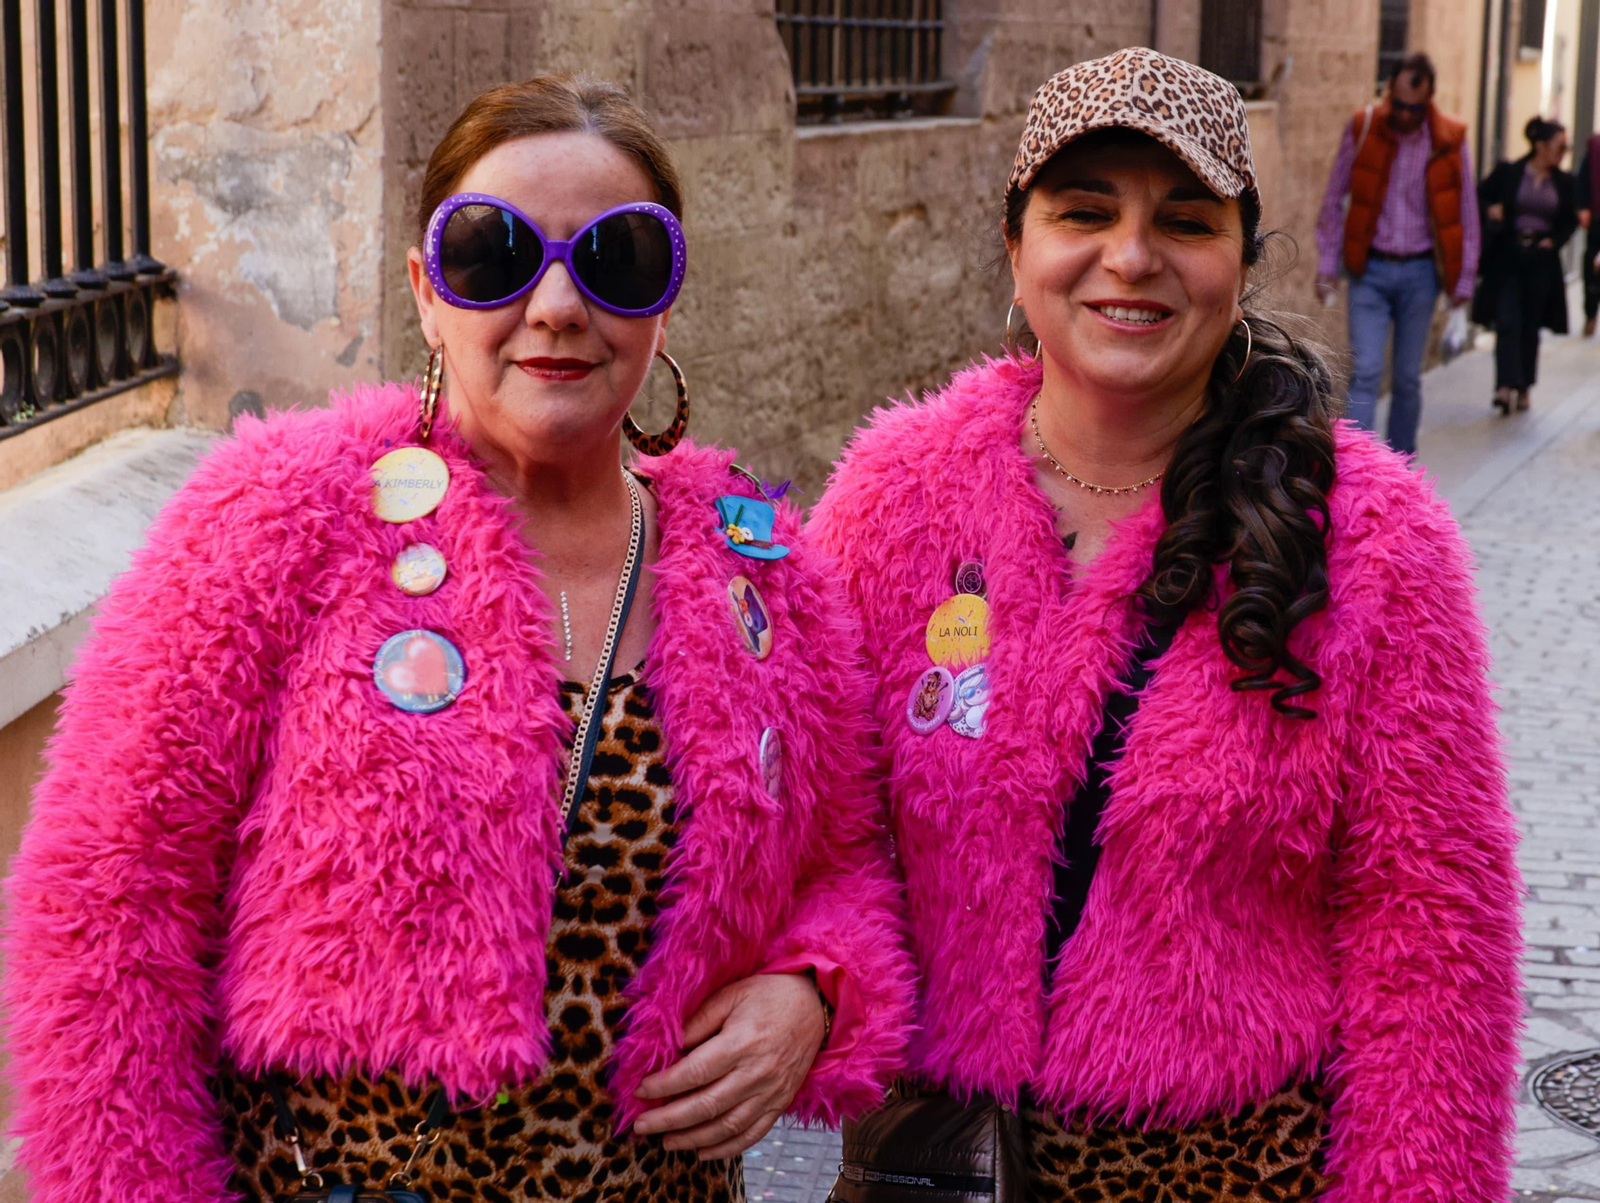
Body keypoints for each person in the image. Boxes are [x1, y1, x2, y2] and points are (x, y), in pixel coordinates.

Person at [3, 74, 912, 1203]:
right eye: (495, 253)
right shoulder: (281, 516)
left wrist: (815, 992)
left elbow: (848, 860)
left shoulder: (763, 567)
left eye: (615, 259)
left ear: (663, 299)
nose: (557, 305)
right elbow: (104, 912)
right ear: (427, 291)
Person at [813, 47, 1520, 1200]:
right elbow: (821, 835)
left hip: (1228, 1171)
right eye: (1083, 211)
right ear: (1016, 244)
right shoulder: (894, 495)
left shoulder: (1373, 536)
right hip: (930, 1166)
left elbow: (1430, 924)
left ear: (1242, 260)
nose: (1129, 258)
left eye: (1184, 220)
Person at [1314, 52, 1481, 455]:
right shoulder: (1364, 127)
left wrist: (1463, 277)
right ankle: (1360, 465)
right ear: (1390, 92)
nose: (1405, 115)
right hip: (1368, 270)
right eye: (1400, 104)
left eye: (1415, 108)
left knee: (1407, 378)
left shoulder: (1449, 140)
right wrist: (1327, 264)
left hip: (1421, 273)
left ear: (1429, 99)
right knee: (1366, 371)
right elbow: (1334, 198)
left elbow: (1466, 213)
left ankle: (1402, 471)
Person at [1474, 116, 1578, 413]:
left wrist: (1554, 241)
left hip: (1541, 260)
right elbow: (1479, 195)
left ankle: (1524, 386)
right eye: (1559, 146)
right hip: (1509, 255)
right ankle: (1504, 385)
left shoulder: (1564, 182)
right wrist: (1491, 210)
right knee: (1507, 321)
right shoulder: (1511, 172)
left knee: (1530, 324)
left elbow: (1570, 220)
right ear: (1540, 145)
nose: (1562, 153)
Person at [1577, 131, 1600, 337]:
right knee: (1592, 267)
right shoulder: (1595, 148)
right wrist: (1583, 207)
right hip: (1597, 219)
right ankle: (1590, 314)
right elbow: (1582, 180)